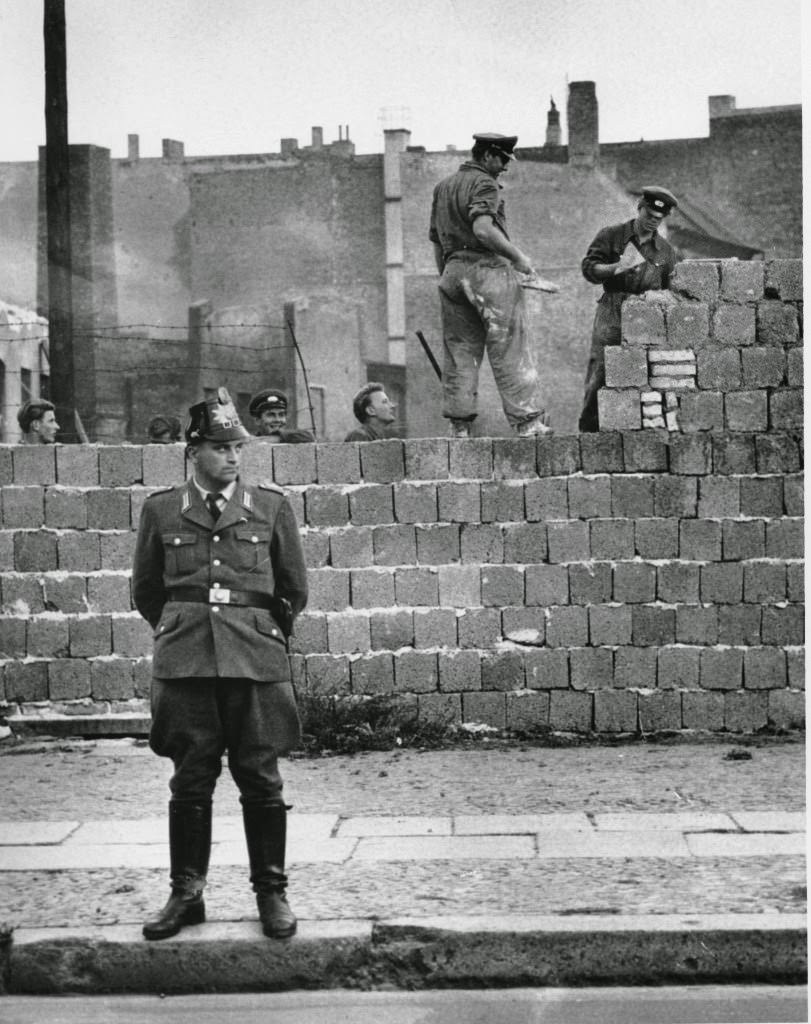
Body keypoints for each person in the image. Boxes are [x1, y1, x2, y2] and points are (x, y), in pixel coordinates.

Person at [132, 386, 308, 942]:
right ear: (193, 451)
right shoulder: (161, 509)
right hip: (185, 661)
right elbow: (146, 590)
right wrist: (184, 627)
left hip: (254, 659)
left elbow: (292, 590)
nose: (232, 456)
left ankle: (271, 893)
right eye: (219, 446)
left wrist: (258, 633)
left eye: (238, 447)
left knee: (260, 778)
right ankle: (186, 893)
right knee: (190, 780)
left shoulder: (271, 505)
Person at [428, 132, 555, 439]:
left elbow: (436, 240)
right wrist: (519, 258)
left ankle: (459, 427)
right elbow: (483, 230)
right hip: (487, 271)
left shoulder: (443, 187)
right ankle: (527, 423)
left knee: (460, 351)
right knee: (509, 345)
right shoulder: (484, 183)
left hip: (452, 272)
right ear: (487, 156)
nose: (504, 168)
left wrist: (448, 276)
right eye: (502, 160)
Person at [579, 185, 681, 432]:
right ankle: (590, 431)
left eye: (658, 219)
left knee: (645, 371)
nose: (652, 223)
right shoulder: (612, 236)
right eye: (648, 216)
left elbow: (672, 289)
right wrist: (615, 268)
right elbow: (588, 268)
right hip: (612, 309)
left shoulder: (666, 251)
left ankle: (634, 432)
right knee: (601, 370)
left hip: (647, 314)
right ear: (639, 208)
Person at [249, 389, 315, 443]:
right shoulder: (251, 444)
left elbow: (309, 437)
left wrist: (277, 438)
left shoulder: (291, 439)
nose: (277, 419)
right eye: (271, 415)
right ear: (257, 420)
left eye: (281, 415)